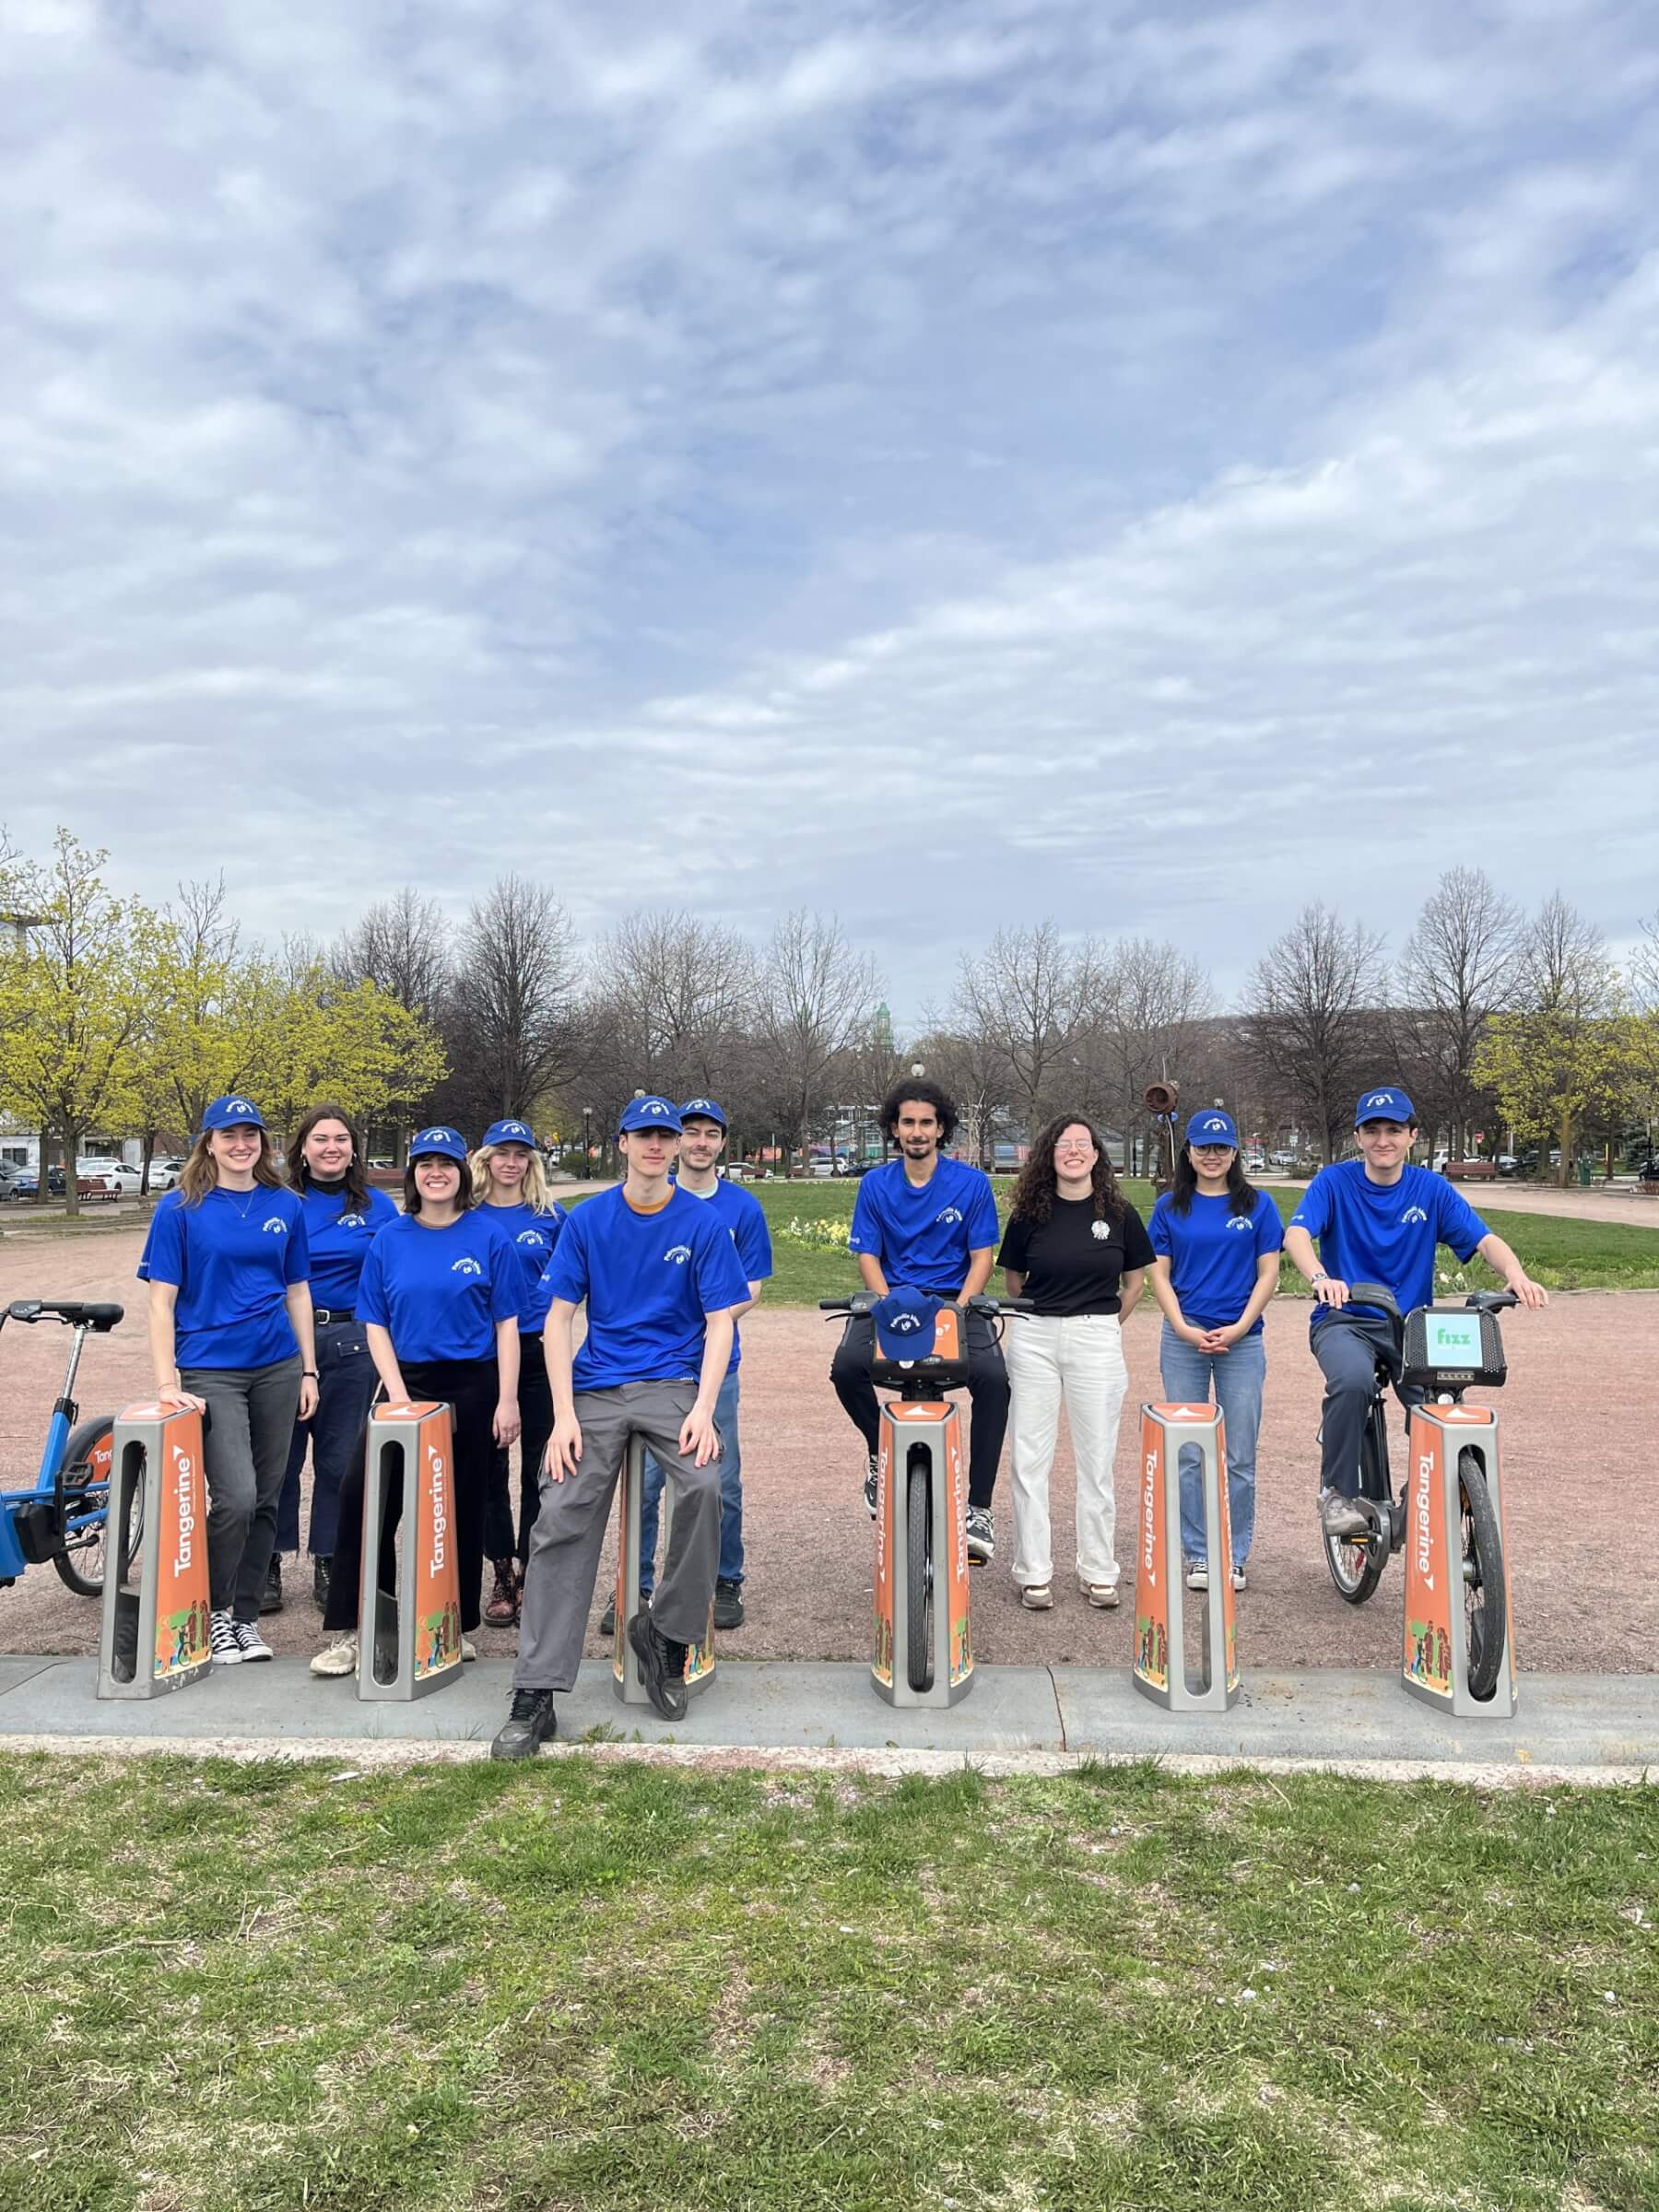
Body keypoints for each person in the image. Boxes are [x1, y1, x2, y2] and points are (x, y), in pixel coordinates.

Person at [490, 1096, 750, 1756]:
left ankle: (666, 1635)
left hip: (673, 1384)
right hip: (598, 1385)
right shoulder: (588, 1219)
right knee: (563, 1512)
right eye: (645, 1135)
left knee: (702, 1485)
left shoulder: (702, 1220)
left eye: (667, 1136)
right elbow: (557, 1320)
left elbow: (721, 1321)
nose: (658, 1146)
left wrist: (702, 1407)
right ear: (623, 1143)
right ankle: (537, 1691)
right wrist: (563, 1416)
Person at [1282, 1087, 1547, 1540]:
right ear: (1358, 1137)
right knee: (1352, 1382)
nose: (1383, 1139)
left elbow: (1484, 1240)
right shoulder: (1334, 1182)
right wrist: (1320, 1277)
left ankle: (1430, 1495)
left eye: (1394, 1130)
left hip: (1411, 1326)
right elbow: (1298, 1235)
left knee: (1442, 1405)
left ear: (1412, 1136)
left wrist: (1516, 1273)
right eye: (1372, 1130)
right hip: (1345, 1317)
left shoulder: (1431, 1189)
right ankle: (1337, 1494)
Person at [311, 1126, 521, 1677]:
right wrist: (400, 1397)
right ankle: (359, 1632)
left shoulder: (488, 1236)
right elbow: (375, 1322)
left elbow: (506, 1325)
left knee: (461, 1509)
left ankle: (452, 1624)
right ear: (413, 1174)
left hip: (472, 1386)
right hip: (404, 1385)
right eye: (425, 1163)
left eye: (446, 1164)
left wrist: (506, 1400)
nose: (436, 1173)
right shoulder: (391, 1238)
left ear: (461, 1173)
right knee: (366, 1500)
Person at [138, 1095, 317, 1666]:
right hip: (210, 1367)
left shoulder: (286, 1205)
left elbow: (297, 1292)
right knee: (235, 1496)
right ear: (208, 1142)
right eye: (229, 1135)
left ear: (263, 1142)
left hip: (278, 1366)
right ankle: (211, 1611)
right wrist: (167, 1382)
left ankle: (243, 1620)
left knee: (268, 1498)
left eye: (252, 1135)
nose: (242, 1145)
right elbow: (160, 1303)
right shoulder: (180, 1208)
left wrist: (309, 1369)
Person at [599, 1097, 771, 1635]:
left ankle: (725, 1578)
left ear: (721, 1142)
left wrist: (707, 1319)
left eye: (709, 1133)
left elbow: (753, 1288)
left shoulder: (740, 1208)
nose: (699, 1142)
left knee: (722, 1477)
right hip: (652, 1368)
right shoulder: (643, 1204)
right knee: (646, 1481)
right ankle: (637, 1584)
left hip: (714, 1364)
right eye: (689, 1131)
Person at [833, 1079, 1007, 1561]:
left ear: (941, 1128)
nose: (916, 1131)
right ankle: (878, 1451)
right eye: (907, 1122)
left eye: (926, 1122)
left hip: (954, 1299)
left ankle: (979, 1507)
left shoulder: (971, 1184)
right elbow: (867, 1254)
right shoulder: (875, 1184)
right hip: (892, 1297)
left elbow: (981, 1257)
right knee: (846, 1366)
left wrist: (961, 1305)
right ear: (894, 1127)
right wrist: (888, 1304)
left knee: (994, 1379)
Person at [996, 1113, 1153, 1609]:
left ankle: (1098, 1569)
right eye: (1064, 1144)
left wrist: (1103, 1326)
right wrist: (1047, 1319)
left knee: (1097, 1461)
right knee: (1029, 1459)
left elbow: (1134, 1285)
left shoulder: (1121, 1213)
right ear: (1050, 1153)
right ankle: (1033, 1571)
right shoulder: (1028, 1214)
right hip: (1035, 1336)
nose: (1074, 1151)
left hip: (1096, 1337)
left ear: (1096, 1154)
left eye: (1083, 1144)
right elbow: (1013, 1281)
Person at [1147, 1109, 1283, 1593]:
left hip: (1242, 1341)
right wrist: (1182, 1326)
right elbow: (1157, 1272)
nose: (1212, 1155)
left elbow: (1269, 1272)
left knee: (1240, 1454)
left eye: (1221, 1147)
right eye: (1203, 1147)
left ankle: (1234, 1553)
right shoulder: (1169, 1207)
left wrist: (1242, 1325)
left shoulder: (1258, 1205)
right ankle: (1199, 1554)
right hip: (1184, 1340)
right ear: (1188, 1152)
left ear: (1234, 1153)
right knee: (1188, 1452)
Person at [269, 1104, 398, 1614]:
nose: (331, 1148)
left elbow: (394, 1275)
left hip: (353, 1341)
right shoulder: (279, 1204)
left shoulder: (378, 1208)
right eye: (320, 1139)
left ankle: (330, 1558)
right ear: (302, 1147)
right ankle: (270, 1560)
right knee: (280, 1460)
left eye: (341, 1139)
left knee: (340, 1461)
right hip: (285, 1341)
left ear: (353, 1148)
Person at [471, 1118, 567, 1630]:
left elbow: (575, 1286)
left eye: (521, 1153)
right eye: (501, 1153)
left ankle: (533, 1568)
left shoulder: (551, 1217)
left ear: (531, 1161)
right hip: (483, 1354)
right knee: (489, 1469)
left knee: (540, 1467)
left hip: (539, 1350)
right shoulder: (466, 1215)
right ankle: (500, 1570)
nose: (511, 1162)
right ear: (485, 1159)